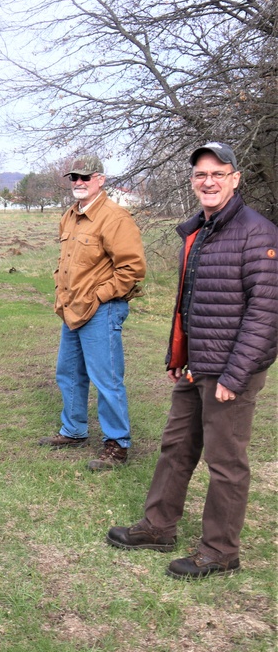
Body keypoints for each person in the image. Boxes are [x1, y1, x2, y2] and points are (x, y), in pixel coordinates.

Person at [106, 142, 278, 579]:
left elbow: (266, 312)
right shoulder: (200, 231)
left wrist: (235, 375)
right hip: (196, 363)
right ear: (193, 182)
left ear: (235, 179)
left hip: (231, 371)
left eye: (218, 173)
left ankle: (220, 551)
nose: (209, 181)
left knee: (225, 462)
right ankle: (158, 526)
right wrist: (177, 354)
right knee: (177, 446)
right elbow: (189, 302)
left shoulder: (258, 233)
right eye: (201, 174)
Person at [38, 155, 147, 471]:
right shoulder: (70, 216)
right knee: (68, 371)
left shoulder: (115, 218)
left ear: (100, 179)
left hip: (102, 309)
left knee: (107, 378)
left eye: (85, 177)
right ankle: (74, 431)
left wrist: (99, 296)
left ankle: (117, 445)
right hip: (72, 308)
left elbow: (132, 268)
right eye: (74, 178)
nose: (79, 183)